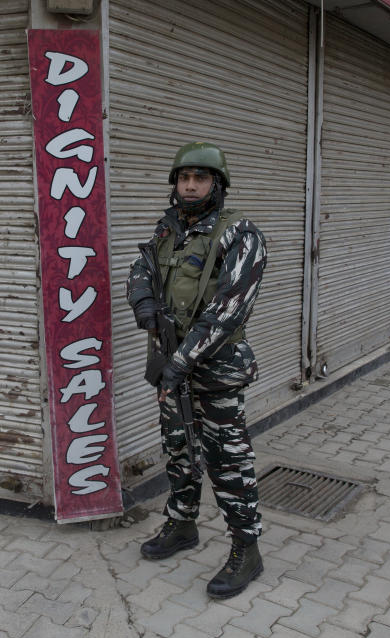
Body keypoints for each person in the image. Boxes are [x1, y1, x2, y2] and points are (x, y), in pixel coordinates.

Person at [125, 141, 267, 599]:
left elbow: (229, 311)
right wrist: (143, 302)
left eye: (200, 178)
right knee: (179, 450)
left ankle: (247, 550)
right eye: (184, 178)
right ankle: (183, 525)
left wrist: (181, 362)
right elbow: (140, 267)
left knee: (229, 461)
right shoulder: (167, 230)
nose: (190, 185)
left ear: (217, 184)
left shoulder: (240, 235)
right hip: (171, 365)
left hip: (215, 369)